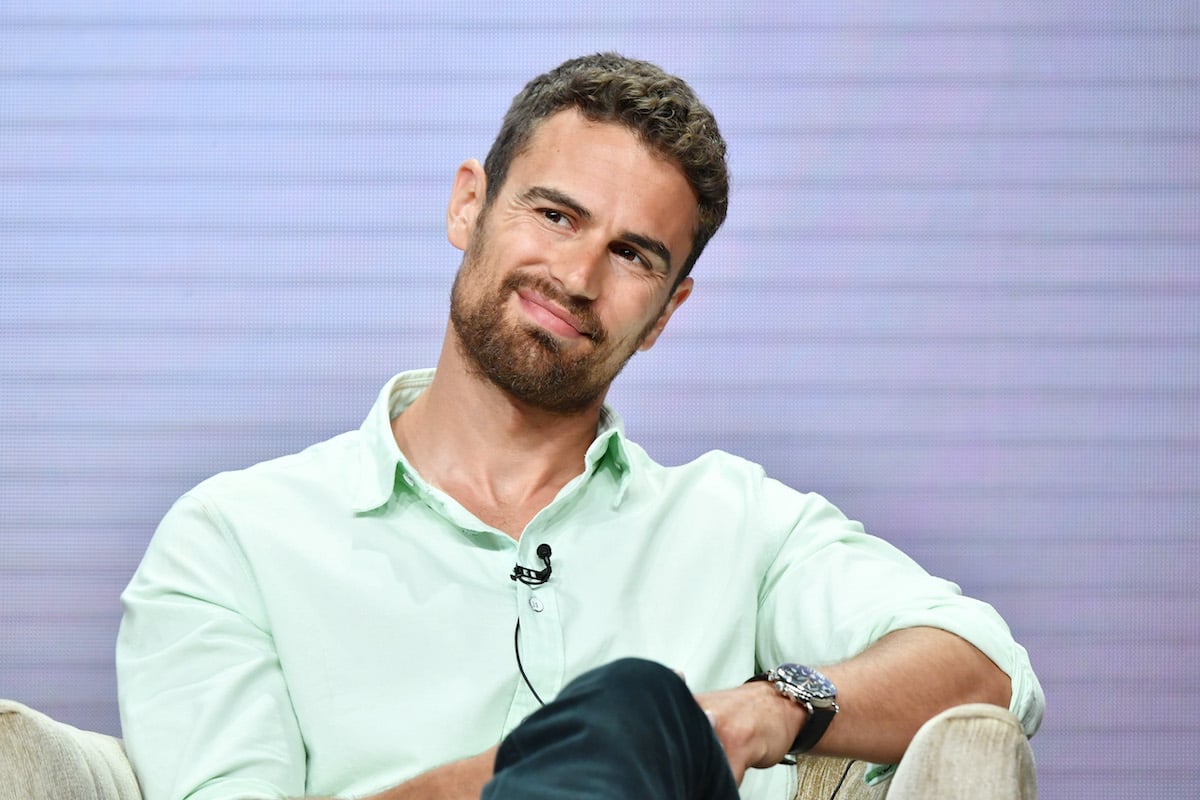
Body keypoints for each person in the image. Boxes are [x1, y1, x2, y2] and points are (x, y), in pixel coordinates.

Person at [116, 53, 1044, 800]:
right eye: (555, 214)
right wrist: (611, 751)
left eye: (632, 254)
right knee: (636, 706)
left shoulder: (739, 523)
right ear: (468, 205)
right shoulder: (235, 535)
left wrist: (763, 711)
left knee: (644, 706)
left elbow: (987, 670)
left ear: (668, 311)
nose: (576, 276)